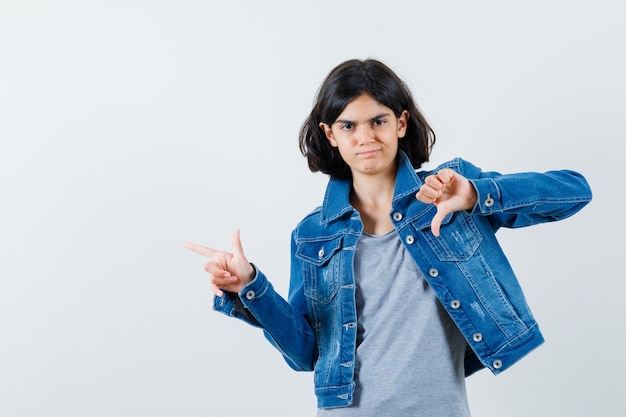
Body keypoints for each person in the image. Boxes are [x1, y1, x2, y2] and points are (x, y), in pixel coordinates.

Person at [185, 58, 592, 416]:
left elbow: (574, 192)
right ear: (330, 134)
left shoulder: (449, 191)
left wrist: (477, 195)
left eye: (378, 121)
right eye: (349, 125)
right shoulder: (312, 235)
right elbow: (306, 353)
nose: (365, 138)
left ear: (400, 123)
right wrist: (251, 287)